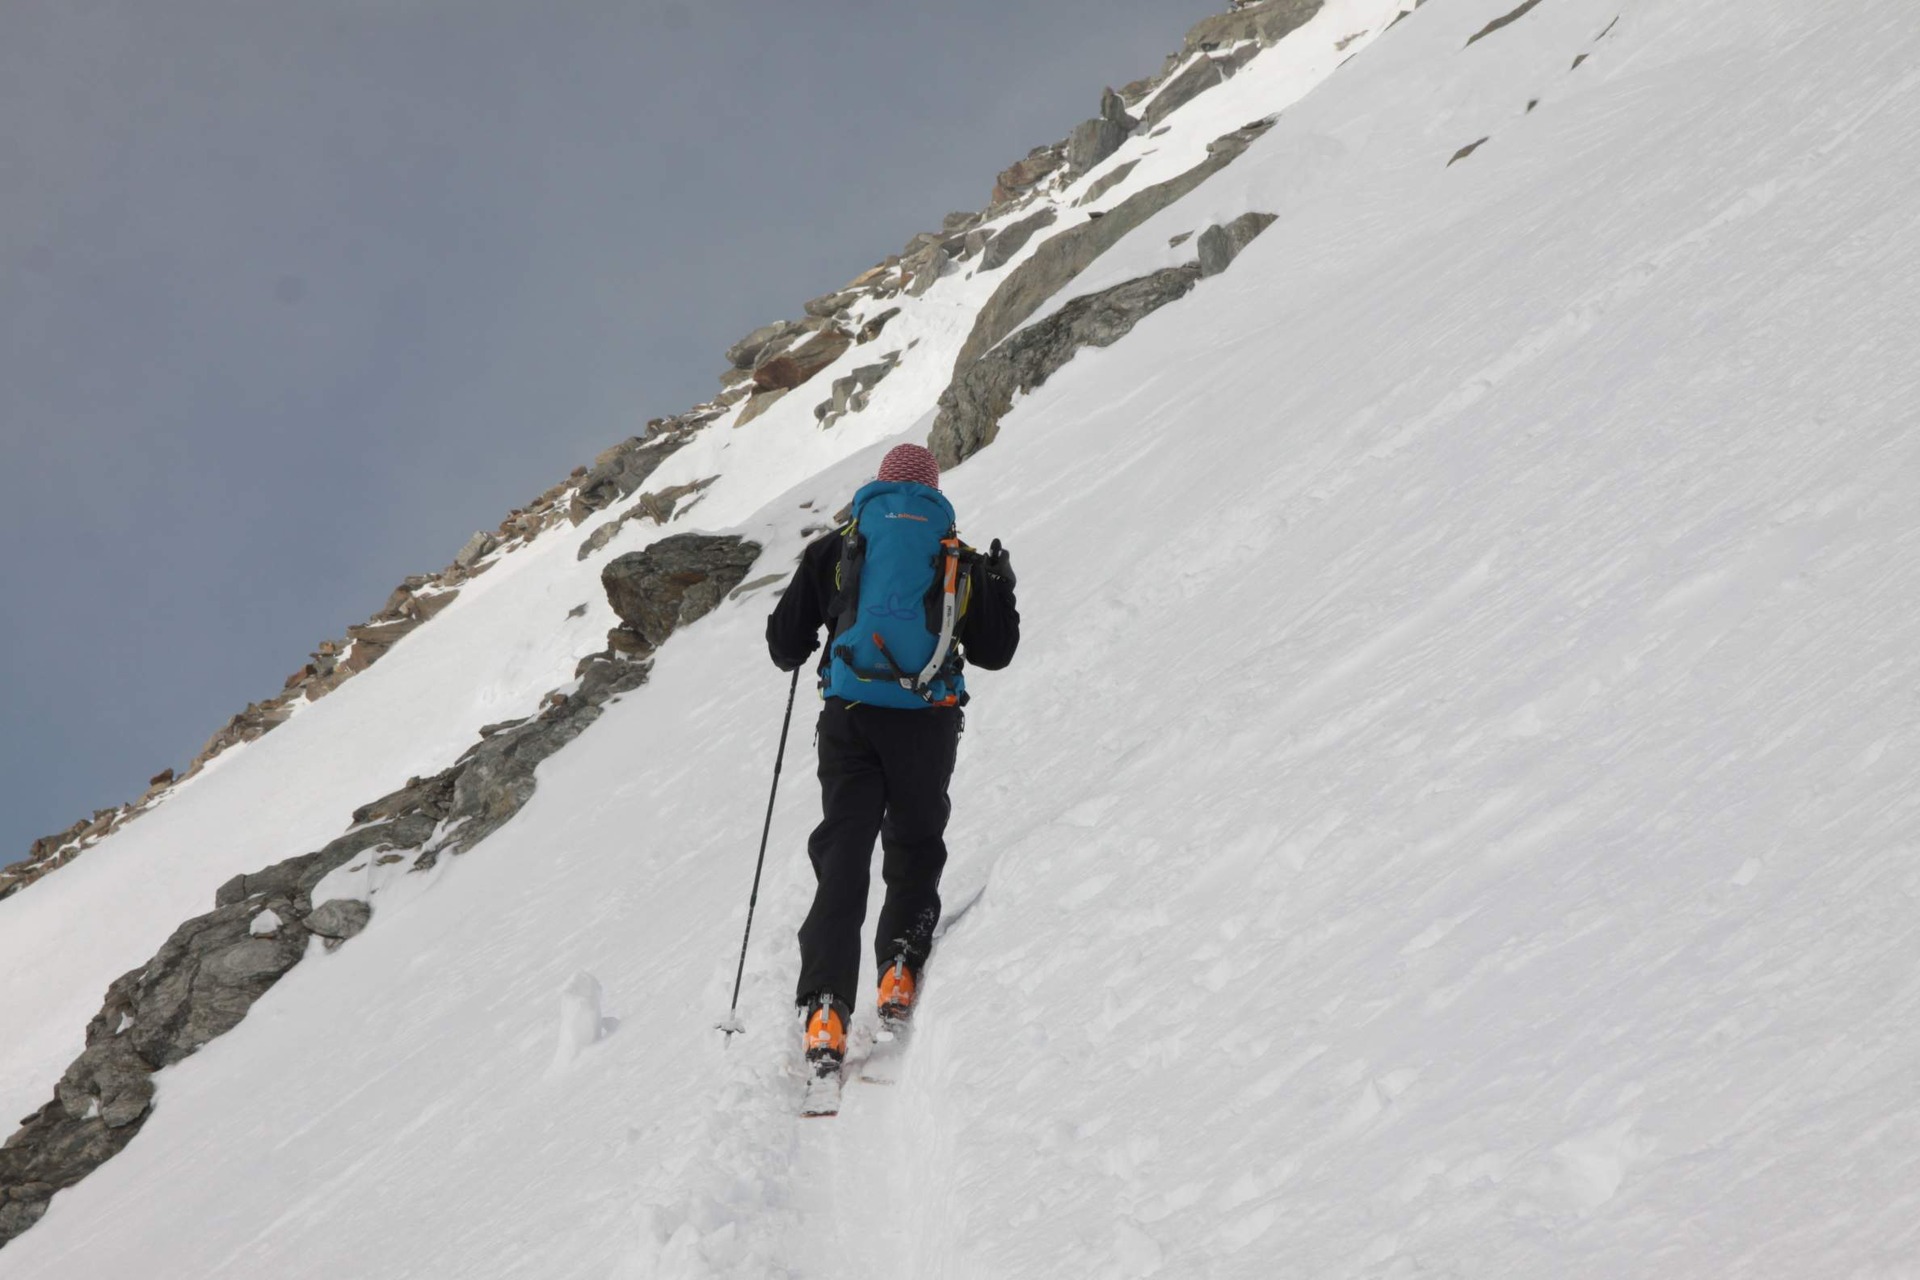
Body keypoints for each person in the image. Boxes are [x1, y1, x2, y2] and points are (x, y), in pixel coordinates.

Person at [765, 442, 1020, 1076]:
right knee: (914, 843)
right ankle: (899, 968)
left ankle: (825, 1007)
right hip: (926, 723)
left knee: (843, 854)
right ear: (934, 492)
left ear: (877, 489)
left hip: (849, 722)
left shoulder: (839, 548)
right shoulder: (956, 556)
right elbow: (995, 651)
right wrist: (1001, 586)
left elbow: (783, 645)